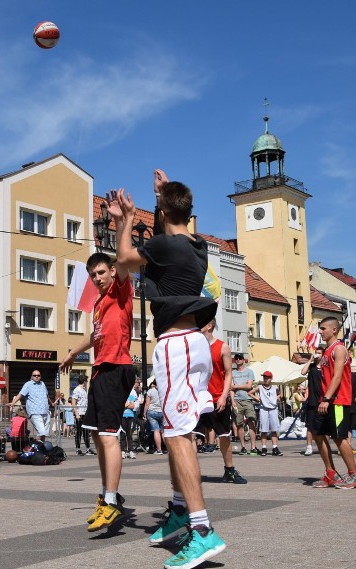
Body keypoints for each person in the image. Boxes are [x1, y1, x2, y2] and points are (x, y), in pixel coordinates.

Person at [108, 171, 225, 566]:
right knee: (181, 431)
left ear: (159, 213)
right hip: (194, 344)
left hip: (176, 345)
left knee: (178, 438)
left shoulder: (162, 244)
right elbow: (177, 214)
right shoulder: (199, 245)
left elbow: (123, 261)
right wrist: (166, 192)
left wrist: (124, 221)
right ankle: (179, 509)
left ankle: (203, 529)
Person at [60, 250, 135, 532]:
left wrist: (122, 221)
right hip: (101, 369)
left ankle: (112, 500)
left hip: (117, 367)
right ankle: (108, 495)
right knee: (95, 431)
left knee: (107, 434)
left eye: (101, 272)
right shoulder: (100, 303)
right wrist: (71, 353)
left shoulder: (121, 292)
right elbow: (96, 336)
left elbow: (125, 258)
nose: (97, 278)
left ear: (112, 271)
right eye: (93, 275)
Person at [312, 317, 356, 489]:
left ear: (334, 330)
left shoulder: (339, 348)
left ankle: (355, 475)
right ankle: (331, 474)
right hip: (326, 400)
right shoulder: (326, 351)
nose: (320, 332)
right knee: (317, 434)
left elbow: (337, 376)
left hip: (338, 401)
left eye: (323, 328)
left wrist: (327, 399)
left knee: (339, 437)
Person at [196, 320, 247, 483]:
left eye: (200, 321)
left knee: (223, 436)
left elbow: (228, 374)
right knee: (190, 436)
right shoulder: (194, 347)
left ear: (209, 325)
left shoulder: (222, 346)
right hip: (197, 399)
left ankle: (229, 470)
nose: (197, 324)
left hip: (217, 397)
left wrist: (225, 395)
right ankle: (190, 472)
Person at [11, 370, 53, 442]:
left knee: (44, 434)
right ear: (31, 376)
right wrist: (12, 403)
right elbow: (21, 394)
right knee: (41, 432)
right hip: (35, 412)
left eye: (38, 375)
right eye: (35, 375)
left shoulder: (42, 384)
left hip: (45, 412)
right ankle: (31, 445)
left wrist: (51, 403)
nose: (36, 376)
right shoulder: (28, 384)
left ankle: (41, 449)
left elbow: (47, 395)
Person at [251, 371, 283, 456]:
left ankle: (275, 447)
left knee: (274, 429)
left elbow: (279, 394)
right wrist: (256, 398)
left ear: (271, 379)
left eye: (267, 377)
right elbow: (250, 392)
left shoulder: (275, 387)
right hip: (264, 409)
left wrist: (276, 398)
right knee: (264, 430)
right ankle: (264, 448)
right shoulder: (260, 387)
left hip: (273, 409)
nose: (265, 379)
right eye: (264, 377)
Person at [231, 354, 257, 455]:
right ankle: (243, 447)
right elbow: (231, 389)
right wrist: (232, 401)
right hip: (237, 400)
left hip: (247, 400)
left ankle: (253, 446)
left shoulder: (249, 371)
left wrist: (236, 386)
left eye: (239, 358)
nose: (237, 360)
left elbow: (249, 386)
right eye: (236, 359)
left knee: (251, 422)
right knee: (239, 424)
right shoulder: (232, 373)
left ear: (243, 360)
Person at [301, 348, 325, 456]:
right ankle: (309, 446)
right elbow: (303, 372)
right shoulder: (312, 367)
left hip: (323, 400)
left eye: (319, 353)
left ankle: (323, 446)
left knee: (323, 425)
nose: (317, 355)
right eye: (316, 353)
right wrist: (310, 360)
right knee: (310, 425)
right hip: (312, 400)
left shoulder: (325, 367)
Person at [71, 374, 92, 455]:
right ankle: (78, 449)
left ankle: (88, 448)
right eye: (86, 381)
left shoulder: (83, 390)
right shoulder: (77, 390)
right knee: (79, 432)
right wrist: (76, 414)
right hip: (79, 413)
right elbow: (73, 402)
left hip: (85, 413)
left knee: (86, 432)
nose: (87, 383)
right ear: (84, 381)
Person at [143, 379, 164, 454]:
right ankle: (168, 448)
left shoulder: (150, 391)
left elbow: (147, 404)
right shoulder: (164, 390)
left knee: (156, 431)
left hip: (152, 411)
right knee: (163, 431)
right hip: (162, 412)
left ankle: (159, 449)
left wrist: (144, 413)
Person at [121, 385, 138, 460]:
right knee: (123, 434)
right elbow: (120, 405)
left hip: (130, 416)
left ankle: (131, 450)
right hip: (122, 416)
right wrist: (127, 404)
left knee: (129, 434)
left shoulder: (131, 394)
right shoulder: (121, 394)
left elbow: (132, 406)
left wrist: (126, 405)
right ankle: (123, 451)